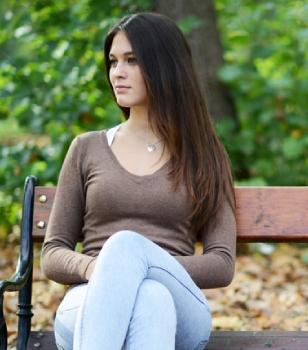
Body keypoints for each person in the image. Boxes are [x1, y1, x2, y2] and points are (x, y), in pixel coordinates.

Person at [41, 13, 236, 350]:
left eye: (132, 60)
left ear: (165, 66)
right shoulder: (86, 148)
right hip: (88, 302)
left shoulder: (205, 154)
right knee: (150, 297)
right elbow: (52, 253)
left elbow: (221, 264)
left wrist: (138, 262)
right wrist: (107, 270)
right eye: (113, 61)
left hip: (182, 309)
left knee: (133, 255)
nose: (117, 72)